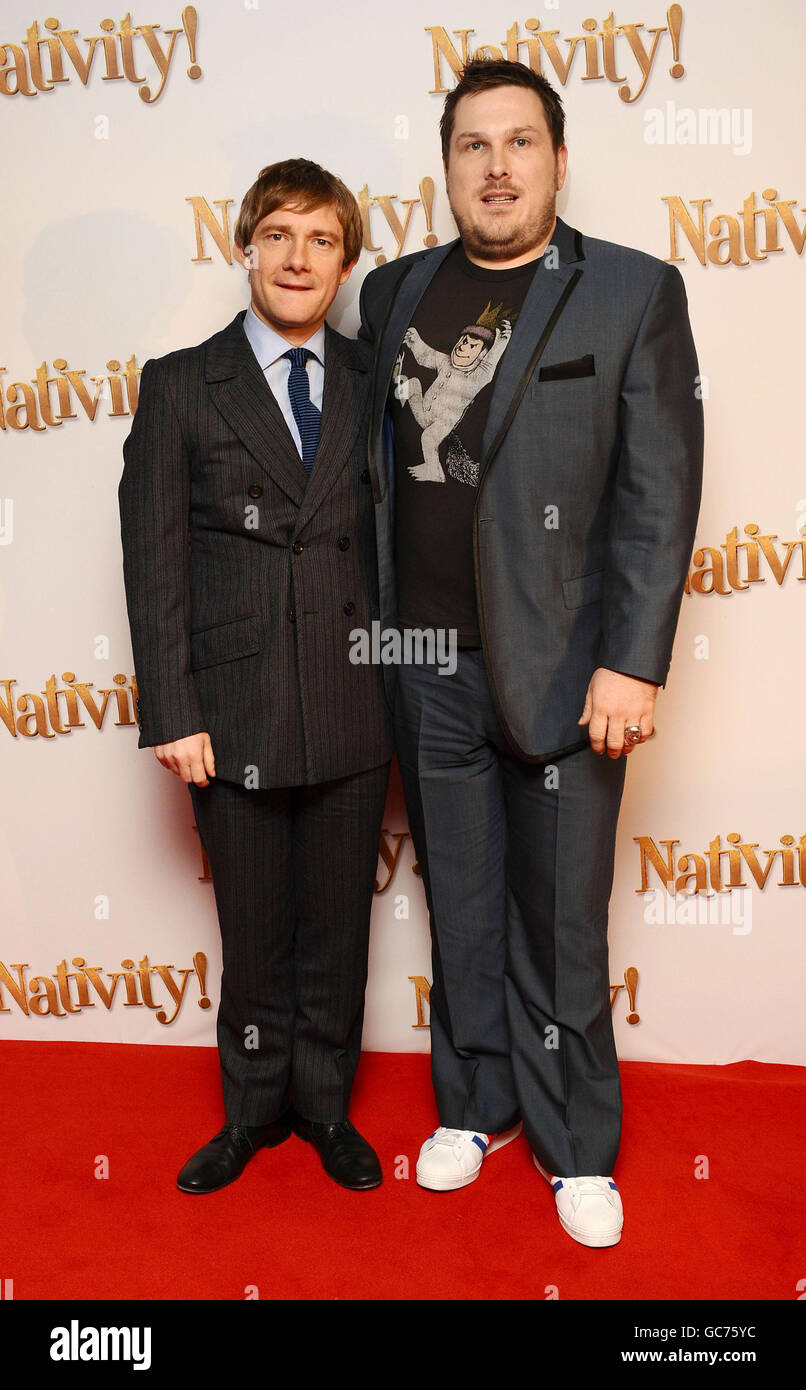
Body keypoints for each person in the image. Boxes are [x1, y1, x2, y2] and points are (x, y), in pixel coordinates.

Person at [359, 59, 703, 1246]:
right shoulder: (395, 291)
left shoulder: (629, 292)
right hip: (423, 661)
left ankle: (575, 1147)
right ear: (445, 165)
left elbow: (657, 491)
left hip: (566, 667)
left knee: (558, 918)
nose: (495, 167)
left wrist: (634, 659)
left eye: (518, 143)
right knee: (459, 903)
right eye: (471, 146)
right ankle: (477, 1103)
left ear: (558, 158)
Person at [118, 158, 393, 1194]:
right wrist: (172, 709)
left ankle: (324, 1109)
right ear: (245, 246)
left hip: (354, 699)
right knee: (251, 931)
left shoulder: (374, 380)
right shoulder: (183, 384)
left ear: (346, 261)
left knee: (336, 927)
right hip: (231, 711)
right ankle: (250, 1111)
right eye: (277, 234)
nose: (297, 257)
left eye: (321, 240)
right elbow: (155, 560)